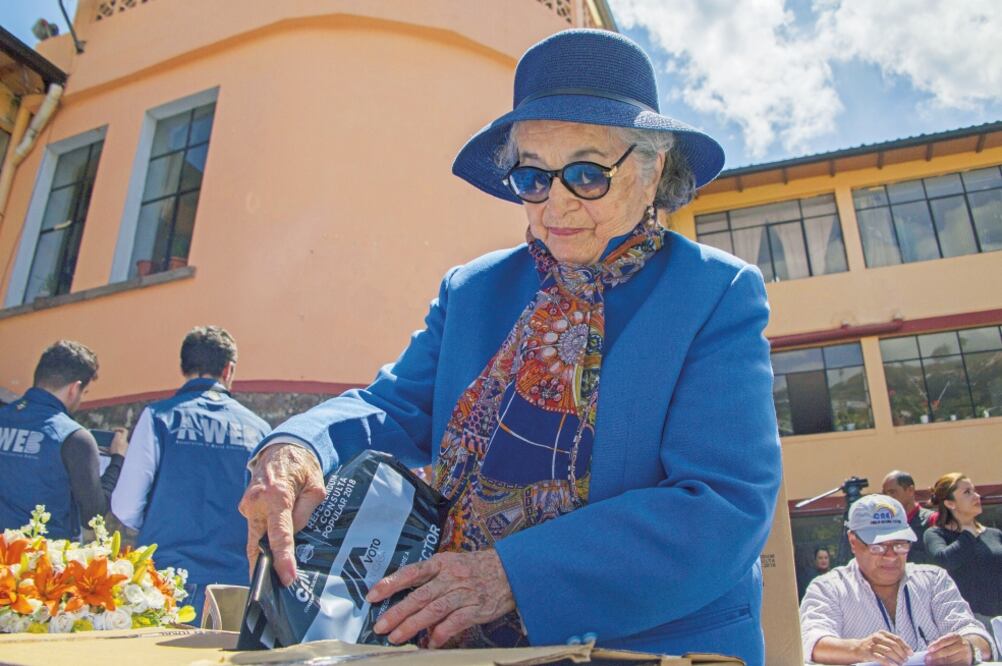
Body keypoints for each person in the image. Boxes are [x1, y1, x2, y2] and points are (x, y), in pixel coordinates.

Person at [239, 29, 782, 663]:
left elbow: (722, 506)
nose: (556, 203)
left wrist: (508, 575)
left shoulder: (715, 292)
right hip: (461, 649)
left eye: (586, 173)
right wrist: (295, 446)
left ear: (652, 167)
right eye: (531, 176)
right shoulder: (472, 290)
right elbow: (392, 408)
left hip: (649, 649)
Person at [111, 326, 270, 622]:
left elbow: (125, 506)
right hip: (234, 585)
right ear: (228, 369)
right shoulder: (260, 429)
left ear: (183, 367)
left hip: (164, 580)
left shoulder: (158, 416)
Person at [800, 494, 994, 666]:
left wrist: (969, 648)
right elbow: (812, 641)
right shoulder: (828, 588)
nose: (891, 556)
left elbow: (976, 635)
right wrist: (858, 649)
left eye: (900, 544)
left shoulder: (934, 580)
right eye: (878, 546)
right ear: (853, 541)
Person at [0, 340, 127, 539]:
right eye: (84, 393)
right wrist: (118, 459)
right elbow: (93, 517)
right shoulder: (74, 437)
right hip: (43, 562)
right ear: (74, 388)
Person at [924, 473, 1002, 626]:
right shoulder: (936, 534)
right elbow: (945, 561)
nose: (976, 496)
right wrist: (968, 533)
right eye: (967, 492)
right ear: (950, 504)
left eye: (974, 490)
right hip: (966, 623)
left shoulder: (994, 534)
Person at [883, 470, 935, 564]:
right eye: (885, 494)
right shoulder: (884, 524)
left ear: (910, 490)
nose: (888, 498)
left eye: (892, 492)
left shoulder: (931, 520)